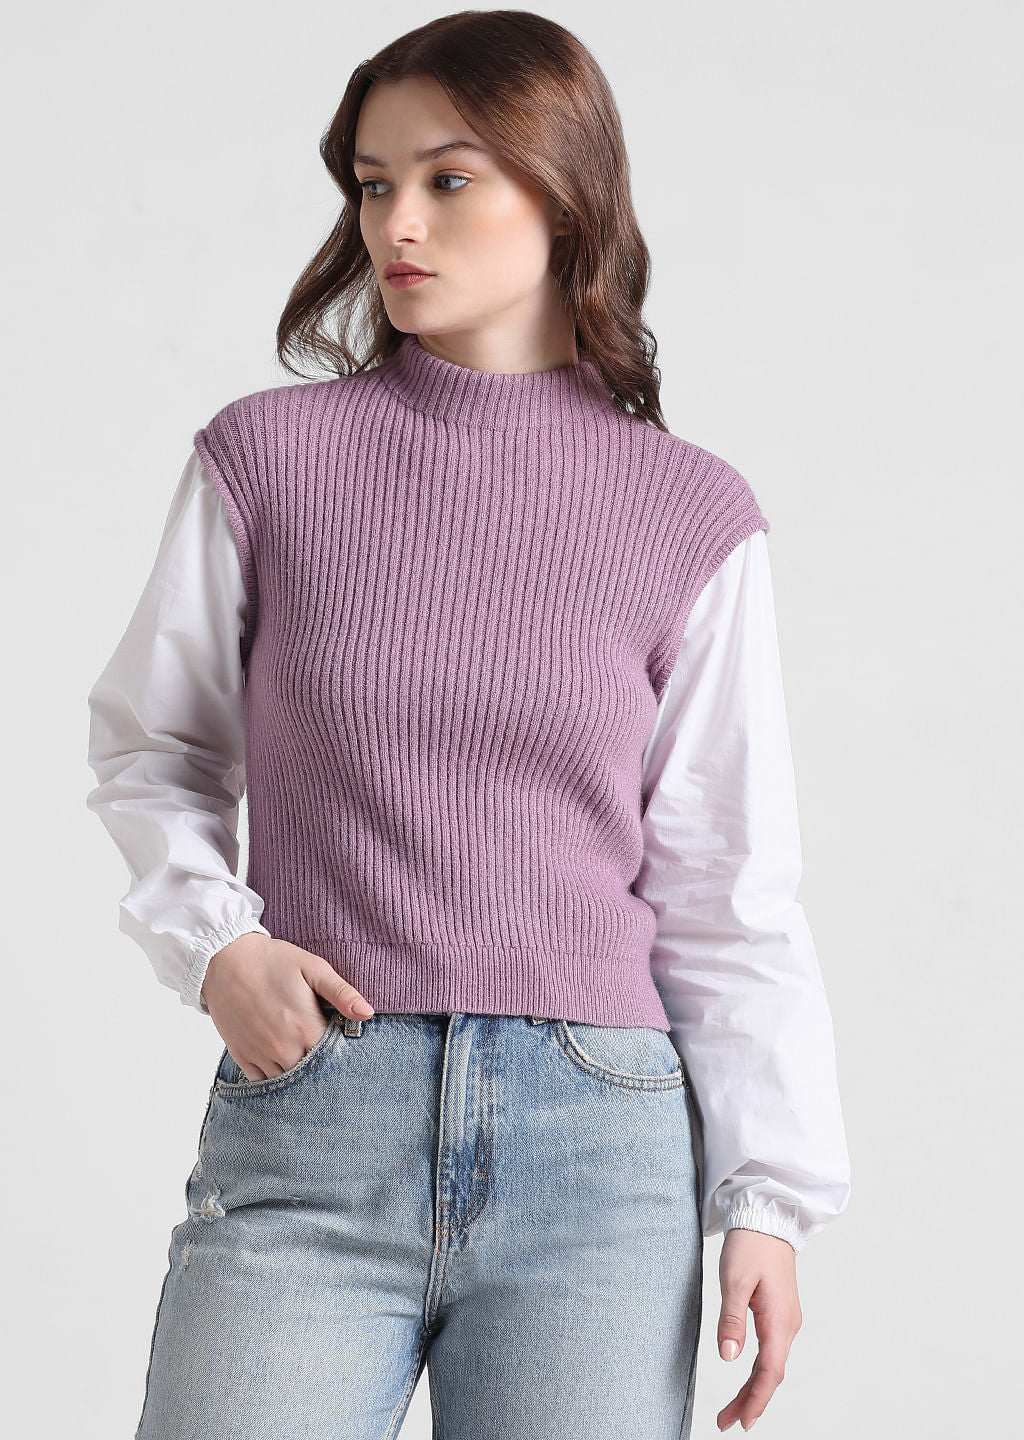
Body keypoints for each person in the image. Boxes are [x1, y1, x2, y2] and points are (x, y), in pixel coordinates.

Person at [86, 12, 850, 1439]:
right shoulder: (270, 462)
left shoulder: (691, 512)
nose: (397, 223)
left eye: (448, 179)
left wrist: (769, 1199)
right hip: (319, 1120)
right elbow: (154, 747)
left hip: (600, 1153)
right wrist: (217, 946)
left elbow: (727, 883)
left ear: (563, 190)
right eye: (374, 184)